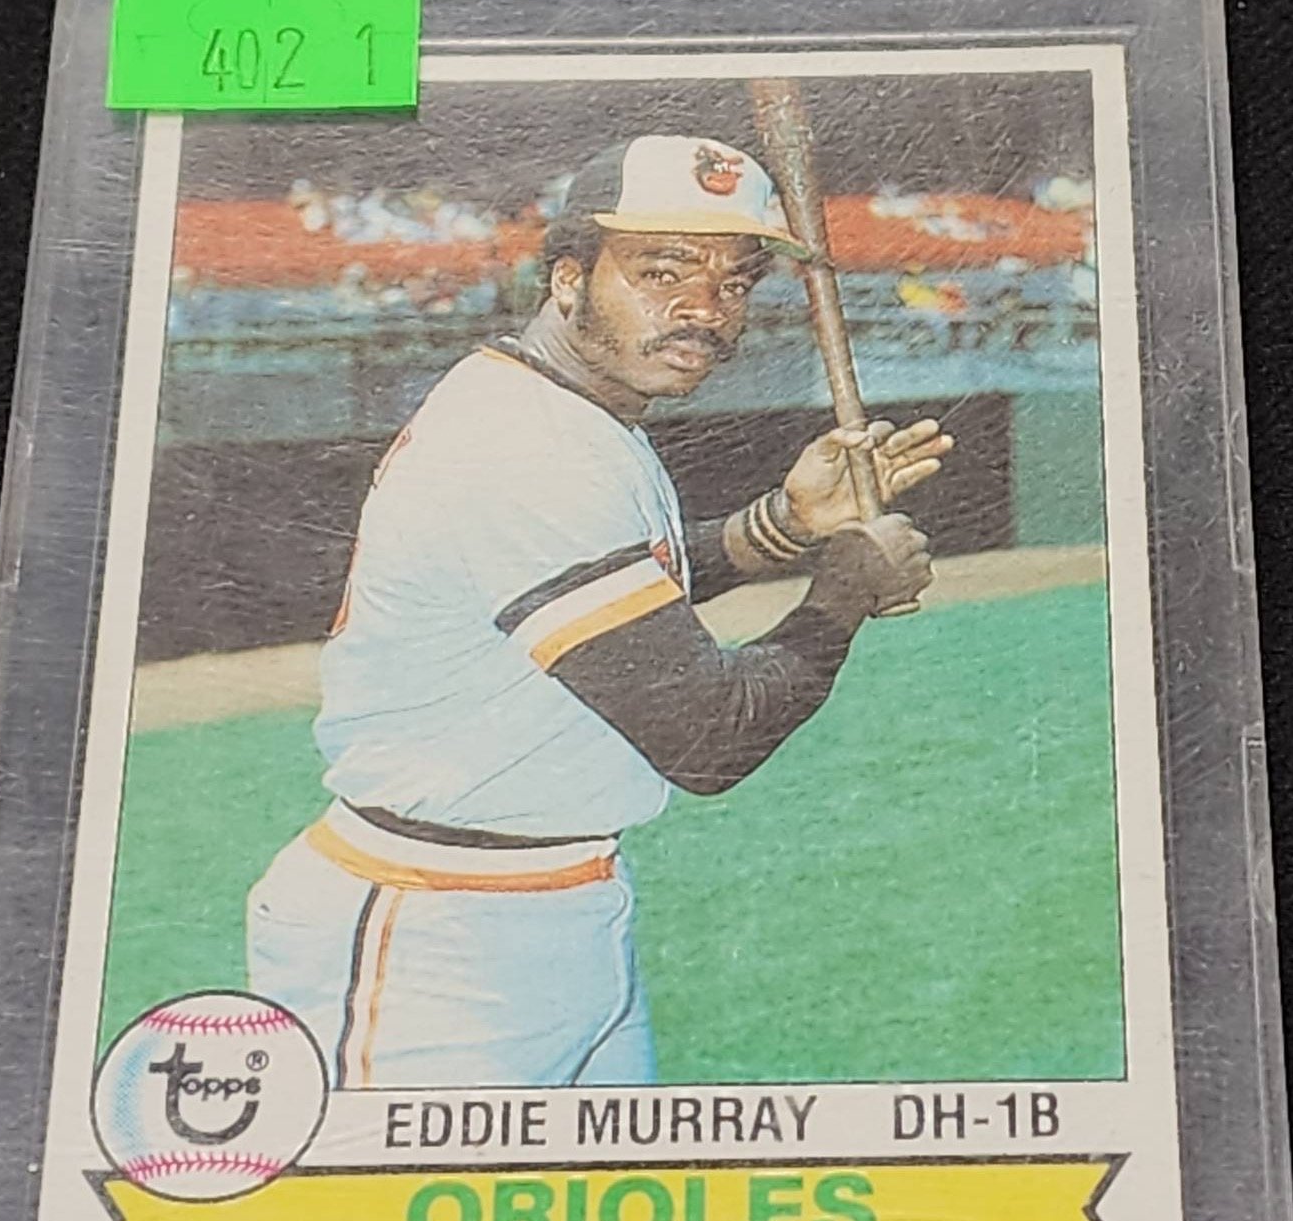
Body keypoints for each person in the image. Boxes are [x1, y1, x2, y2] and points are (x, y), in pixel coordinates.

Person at [246, 135, 953, 1090]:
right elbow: (707, 738)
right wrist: (847, 589)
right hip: (431, 937)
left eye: (734, 282)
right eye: (662, 271)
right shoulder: (527, 448)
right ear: (568, 277)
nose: (704, 308)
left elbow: (630, 598)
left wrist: (784, 527)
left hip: (547, 900)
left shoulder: (567, 409)